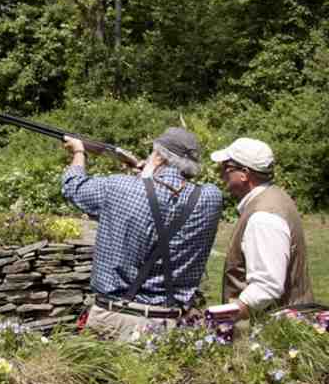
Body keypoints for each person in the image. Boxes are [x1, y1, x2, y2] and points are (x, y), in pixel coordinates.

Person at [62, 128, 223, 341]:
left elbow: (74, 186)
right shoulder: (211, 198)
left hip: (113, 319)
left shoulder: (119, 186)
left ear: (157, 156)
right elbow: (168, 197)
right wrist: (147, 176)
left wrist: (79, 153)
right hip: (170, 327)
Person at [210, 138, 313, 321]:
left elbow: (267, 286)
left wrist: (226, 315)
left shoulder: (263, 217)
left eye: (226, 167)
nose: (221, 174)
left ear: (244, 174)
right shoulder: (275, 197)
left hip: (273, 333)